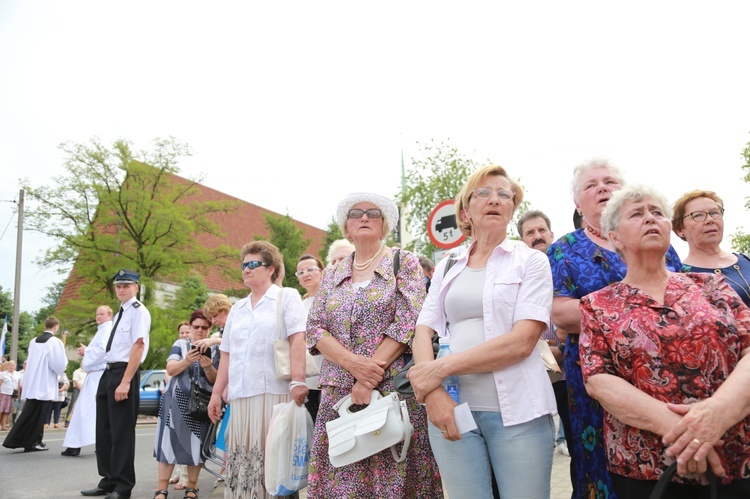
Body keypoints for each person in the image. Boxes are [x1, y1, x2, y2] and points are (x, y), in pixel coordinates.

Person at [580, 184, 750, 497]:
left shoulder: (712, 285)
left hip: (734, 455)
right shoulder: (597, 305)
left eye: (657, 213)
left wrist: (717, 415)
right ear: (615, 237)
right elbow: (599, 381)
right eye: (637, 214)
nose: (650, 219)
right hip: (647, 470)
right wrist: (691, 434)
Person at [408, 166, 556, 498]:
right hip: (451, 410)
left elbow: (521, 342)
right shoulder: (448, 264)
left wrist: (439, 369)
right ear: (465, 211)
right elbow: (423, 330)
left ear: (512, 209)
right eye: (484, 193)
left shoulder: (530, 261)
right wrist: (433, 395)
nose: (496, 200)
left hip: (519, 414)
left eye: (505, 194)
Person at [547, 158, 682, 499]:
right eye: (591, 185)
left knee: (670, 457)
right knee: (600, 468)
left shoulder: (660, 242)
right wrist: (639, 315)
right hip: (598, 374)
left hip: (665, 368)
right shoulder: (563, 249)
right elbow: (561, 313)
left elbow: (681, 302)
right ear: (578, 204)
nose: (603, 187)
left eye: (609, 181)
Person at [306, 192, 442, 498]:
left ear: (384, 227)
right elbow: (314, 329)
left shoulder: (403, 262)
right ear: (347, 227)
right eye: (356, 214)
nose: (364, 218)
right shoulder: (331, 274)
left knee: (394, 476)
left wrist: (369, 376)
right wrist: (355, 367)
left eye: (373, 213)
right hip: (339, 395)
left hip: (391, 391)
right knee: (342, 477)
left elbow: (410, 320)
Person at [207, 241, 309, 499]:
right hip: (241, 397)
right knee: (244, 464)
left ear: (271, 268)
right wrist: (216, 393)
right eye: (244, 265)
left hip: (274, 394)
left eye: (253, 264)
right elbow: (227, 352)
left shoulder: (286, 297)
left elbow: (298, 338)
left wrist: (298, 380)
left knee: (275, 466)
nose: (246, 269)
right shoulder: (238, 308)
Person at [81, 269, 150, 499]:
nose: (122, 289)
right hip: (109, 372)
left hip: (124, 372)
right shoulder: (121, 312)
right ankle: (109, 479)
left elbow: (138, 346)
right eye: (118, 286)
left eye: (126, 285)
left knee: (121, 432)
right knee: (104, 430)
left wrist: (126, 382)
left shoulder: (139, 312)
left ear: (136, 287)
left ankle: (123, 485)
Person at [517, 209, 572, 459]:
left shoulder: (567, 266)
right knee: (534, 451)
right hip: (530, 372)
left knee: (576, 443)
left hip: (568, 374)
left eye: (541, 231)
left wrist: (562, 347)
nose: (537, 236)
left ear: (551, 234)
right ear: (522, 240)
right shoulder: (516, 273)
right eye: (530, 232)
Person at [153, 310, 219, 499]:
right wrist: (187, 360)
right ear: (190, 327)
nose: (199, 331)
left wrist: (207, 366)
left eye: (204, 327)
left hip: (202, 404)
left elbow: (216, 379)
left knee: (196, 445)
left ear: (209, 329)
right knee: (168, 443)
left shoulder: (215, 349)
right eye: (196, 327)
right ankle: (162, 488)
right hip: (175, 402)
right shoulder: (180, 344)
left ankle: (192, 487)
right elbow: (171, 369)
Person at [672, 189, 750, 307]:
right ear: (679, 230)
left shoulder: (746, 260)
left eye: (714, 213)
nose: (710, 220)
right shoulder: (681, 278)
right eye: (698, 215)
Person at [2, 316, 67, 452]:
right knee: (39, 415)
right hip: (45, 382)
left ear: (45, 326)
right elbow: (59, 363)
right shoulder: (55, 342)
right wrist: (60, 373)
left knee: (33, 412)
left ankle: (35, 440)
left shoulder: (33, 341)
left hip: (33, 382)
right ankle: (31, 442)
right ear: (56, 327)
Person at [62, 305, 114, 457]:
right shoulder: (103, 330)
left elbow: (104, 351)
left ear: (109, 316)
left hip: (99, 375)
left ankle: (79, 445)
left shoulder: (107, 330)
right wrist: (87, 351)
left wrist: (87, 352)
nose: (98, 316)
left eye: (102, 314)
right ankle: (84, 444)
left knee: (88, 411)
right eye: (97, 314)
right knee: (89, 411)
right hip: (95, 375)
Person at [296, 253, 325, 422]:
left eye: (310, 269)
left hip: (332, 377)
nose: (305, 274)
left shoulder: (333, 300)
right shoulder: (299, 307)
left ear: (321, 272)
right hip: (308, 381)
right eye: (300, 272)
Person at [167, 321, 192, 491]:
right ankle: (178, 472)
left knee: (185, 439)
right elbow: (170, 370)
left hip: (191, 399)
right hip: (176, 397)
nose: (184, 335)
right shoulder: (178, 347)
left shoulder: (195, 348)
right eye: (181, 332)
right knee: (175, 437)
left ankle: (185, 478)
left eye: (186, 332)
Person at [0, 361, 14, 430]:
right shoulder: (3, 374)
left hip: (11, 394)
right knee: (1, 410)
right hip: (3, 394)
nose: (11, 367)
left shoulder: (16, 374)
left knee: (6, 411)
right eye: (10, 365)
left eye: (13, 365)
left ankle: (3, 426)